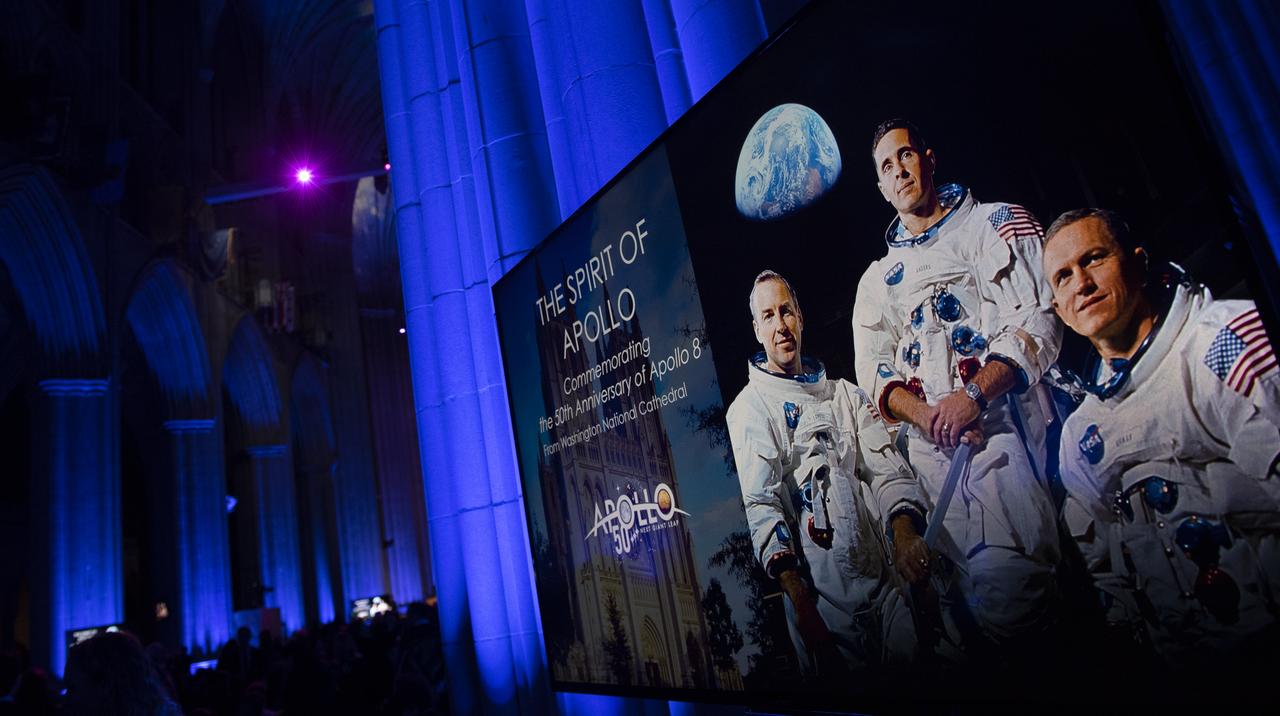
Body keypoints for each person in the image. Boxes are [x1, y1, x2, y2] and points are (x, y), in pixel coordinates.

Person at [852, 119, 1062, 646]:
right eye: (886, 166)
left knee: (1016, 597)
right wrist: (928, 416)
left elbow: (1039, 321)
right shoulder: (877, 281)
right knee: (956, 625)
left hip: (1000, 437)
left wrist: (973, 396)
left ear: (929, 159)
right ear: (880, 187)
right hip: (928, 459)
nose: (899, 171)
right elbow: (875, 372)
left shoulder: (995, 225)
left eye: (905, 156)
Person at [1043, 208, 1280, 664]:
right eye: (1063, 276)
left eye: (1094, 259)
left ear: (1137, 263)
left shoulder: (1221, 343)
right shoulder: (1080, 436)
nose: (1081, 284)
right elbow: (1104, 568)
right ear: (1059, 311)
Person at [726, 270, 926, 675]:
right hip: (823, 609)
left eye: (786, 311)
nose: (781, 326)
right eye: (768, 316)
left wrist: (905, 535)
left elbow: (887, 472)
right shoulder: (750, 410)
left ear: (800, 317)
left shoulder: (845, 396)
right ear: (757, 330)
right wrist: (801, 602)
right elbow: (762, 506)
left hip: (885, 589)